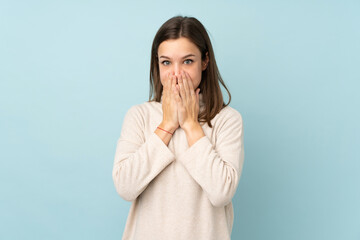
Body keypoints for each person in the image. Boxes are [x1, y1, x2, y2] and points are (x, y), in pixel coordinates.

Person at [112, 15, 245, 240]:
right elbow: (125, 187)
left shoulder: (227, 120)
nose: (176, 73)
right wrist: (167, 125)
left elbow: (221, 192)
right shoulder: (139, 116)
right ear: (157, 64)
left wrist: (191, 124)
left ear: (205, 62)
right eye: (166, 62)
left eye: (187, 61)